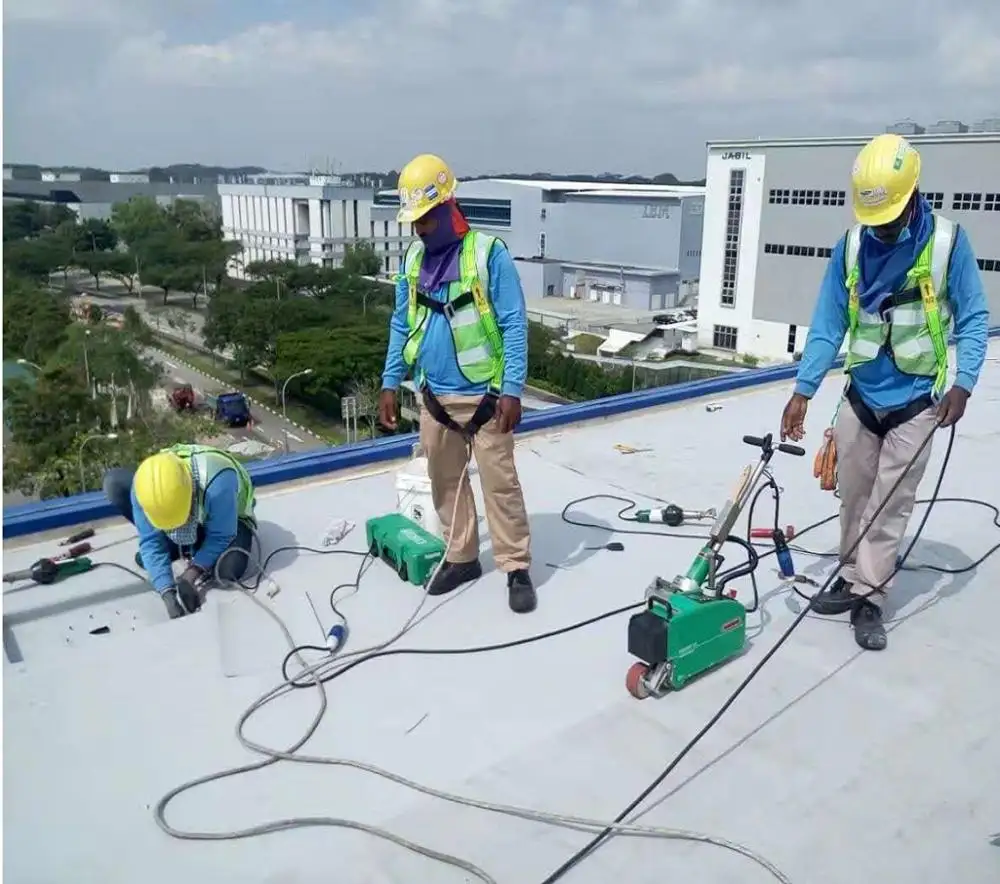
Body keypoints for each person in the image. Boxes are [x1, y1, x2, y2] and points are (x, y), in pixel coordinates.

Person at [780, 132, 989, 651]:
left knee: (891, 502)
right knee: (853, 493)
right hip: (861, 394)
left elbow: (975, 315)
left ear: (914, 194)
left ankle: (870, 595)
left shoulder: (947, 244)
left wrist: (963, 384)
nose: (883, 228)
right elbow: (828, 321)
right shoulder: (851, 247)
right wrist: (803, 390)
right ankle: (851, 575)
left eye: (891, 218)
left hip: (919, 400)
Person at [378, 153, 536, 614]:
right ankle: (463, 556)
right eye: (414, 220)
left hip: (486, 396)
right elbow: (399, 323)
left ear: (449, 204)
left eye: (426, 218)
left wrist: (511, 389)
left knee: (499, 484)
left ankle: (515, 564)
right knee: (444, 482)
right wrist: (391, 381)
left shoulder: (489, 255)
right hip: (434, 396)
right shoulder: (412, 261)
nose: (419, 229)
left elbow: (513, 324)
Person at [103, 443, 257, 619]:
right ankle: (187, 546)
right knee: (114, 483)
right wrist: (167, 593)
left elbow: (221, 535)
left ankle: (194, 550)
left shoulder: (218, 482)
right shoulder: (143, 489)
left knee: (228, 570)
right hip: (190, 514)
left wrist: (192, 573)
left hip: (229, 520)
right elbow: (151, 542)